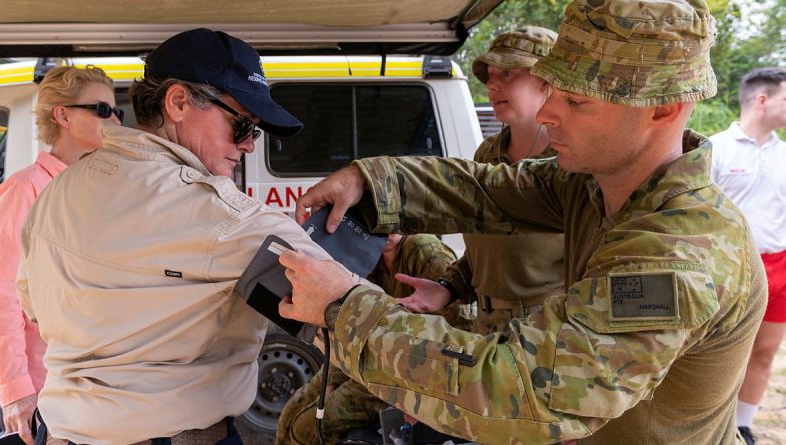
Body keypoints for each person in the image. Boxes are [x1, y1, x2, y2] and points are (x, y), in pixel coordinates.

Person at [279, 1, 767, 444]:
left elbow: (521, 389)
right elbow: (485, 189)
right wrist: (371, 181)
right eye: (555, 91)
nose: (550, 113)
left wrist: (341, 306)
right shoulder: (595, 186)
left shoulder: (681, 252)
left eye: (578, 101)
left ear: (663, 108)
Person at [15, 28, 360, 445]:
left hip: (62, 432)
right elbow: (353, 316)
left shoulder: (55, 194)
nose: (249, 146)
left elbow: (33, 306)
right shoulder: (222, 218)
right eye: (242, 126)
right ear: (178, 102)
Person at [400, 26, 565, 335]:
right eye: (489, 75)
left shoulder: (575, 162)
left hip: (547, 337)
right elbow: (483, 251)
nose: (491, 85)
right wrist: (447, 287)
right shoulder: (488, 153)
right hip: (487, 331)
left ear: (549, 80)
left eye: (508, 73)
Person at [0, 65, 119, 445]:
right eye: (103, 110)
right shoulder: (22, 191)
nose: (114, 120)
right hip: (44, 391)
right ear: (62, 115)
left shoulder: (100, 190)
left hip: (96, 388)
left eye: (116, 112)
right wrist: (15, 392)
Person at [277, 233, 457, 445]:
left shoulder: (426, 254)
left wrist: (424, 396)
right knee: (291, 413)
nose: (384, 229)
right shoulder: (371, 256)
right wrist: (334, 380)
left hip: (407, 377)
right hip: (370, 362)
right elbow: (351, 328)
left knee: (306, 428)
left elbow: (462, 338)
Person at [709, 67, 786, 445]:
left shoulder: (784, 154)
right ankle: (714, 423)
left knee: (766, 351)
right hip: (730, 268)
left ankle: (744, 425)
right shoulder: (714, 149)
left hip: (780, 264)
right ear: (762, 100)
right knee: (720, 353)